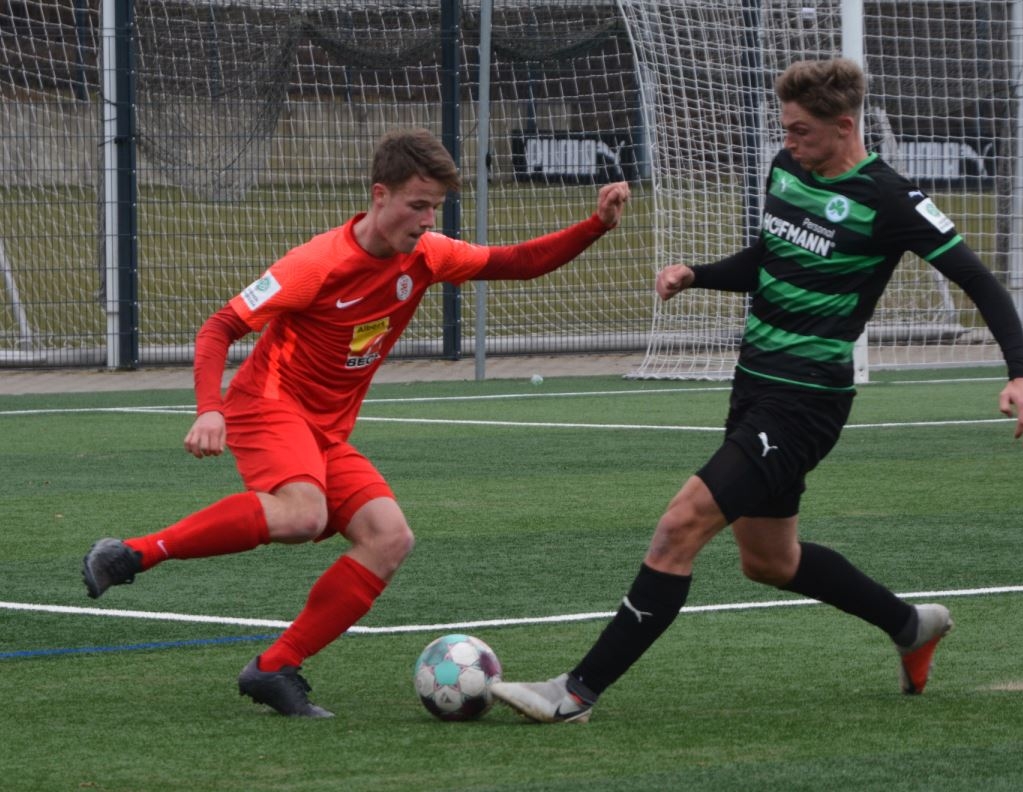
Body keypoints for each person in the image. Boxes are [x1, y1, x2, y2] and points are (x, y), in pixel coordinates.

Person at [490, 58, 1023, 724]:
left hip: (806, 402)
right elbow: (770, 257)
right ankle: (910, 625)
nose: (788, 142)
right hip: (753, 387)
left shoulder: (891, 199)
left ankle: (575, 693)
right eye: (785, 128)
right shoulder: (787, 169)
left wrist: (1021, 372)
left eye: (801, 130)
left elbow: (979, 281)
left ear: (844, 127)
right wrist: (698, 274)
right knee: (769, 561)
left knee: (679, 526)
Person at [82, 127, 631, 718]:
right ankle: (133, 554)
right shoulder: (316, 264)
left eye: (435, 207)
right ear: (379, 195)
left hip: (324, 431)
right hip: (268, 404)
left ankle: (274, 667)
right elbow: (220, 327)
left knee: (390, 537)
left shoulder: (427, 256)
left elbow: (516, 262)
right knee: (303, 514)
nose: (427, 220)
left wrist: (595, 225)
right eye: (417, 205)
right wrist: (209, 408)